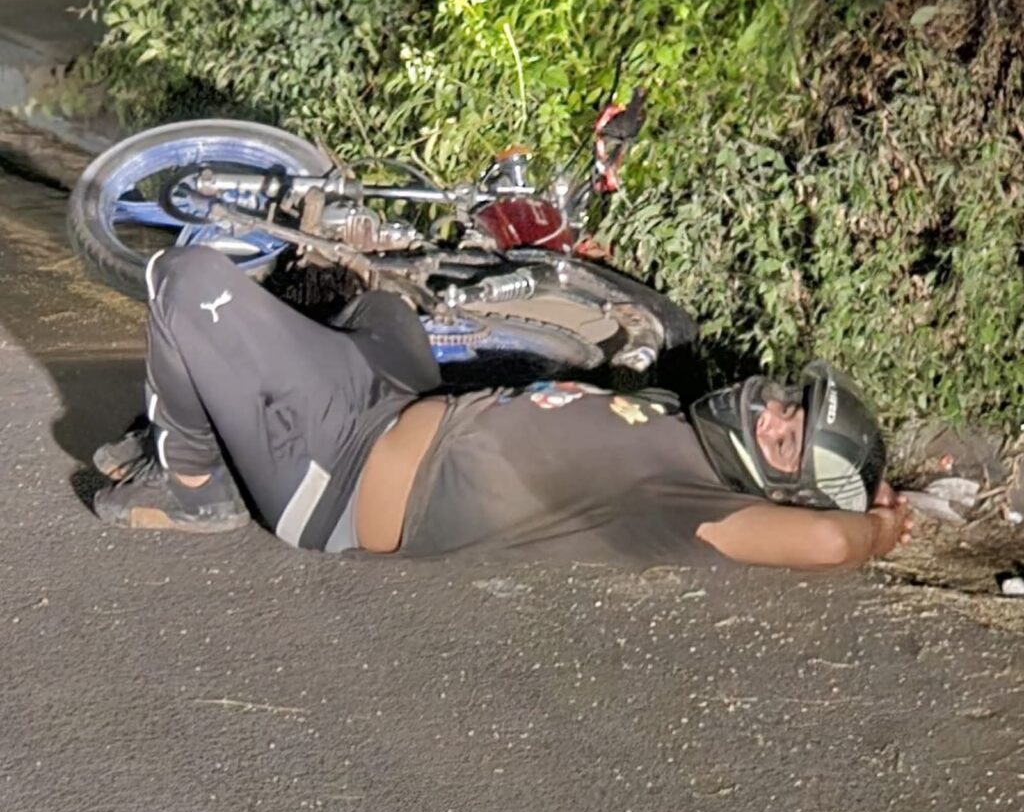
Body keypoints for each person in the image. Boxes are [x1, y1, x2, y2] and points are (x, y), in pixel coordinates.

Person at [90, 247, 914, 570]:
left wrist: (881, 528)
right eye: (785, 401)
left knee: (183, 281)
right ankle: (221, 412)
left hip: (339, 475)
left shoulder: (698, 506)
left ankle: (196, 482)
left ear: (783, 488)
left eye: (786, 437)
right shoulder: (679, 421)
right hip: (399, 405)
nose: (770, 410)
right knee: (380, 309)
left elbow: (827, 539)